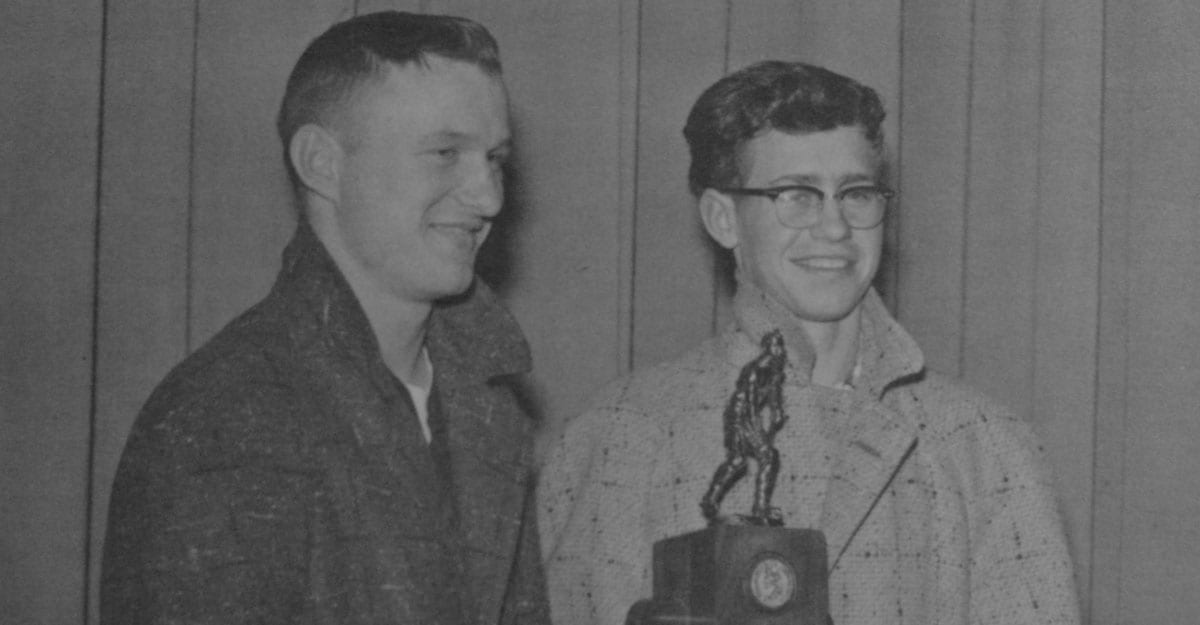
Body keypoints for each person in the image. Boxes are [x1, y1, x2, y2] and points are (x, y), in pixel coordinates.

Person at [538, 61, 1080, 625]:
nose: (835, 227)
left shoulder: (984, 448)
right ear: (724, 218)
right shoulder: (623, 438)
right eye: (796, 195)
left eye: (856, 193)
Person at [101, 11, 549, 624]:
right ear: (321, 163)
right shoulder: (223, 418)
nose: (489, 197)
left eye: (494, 158)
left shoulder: (488, 405)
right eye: (445, 153)